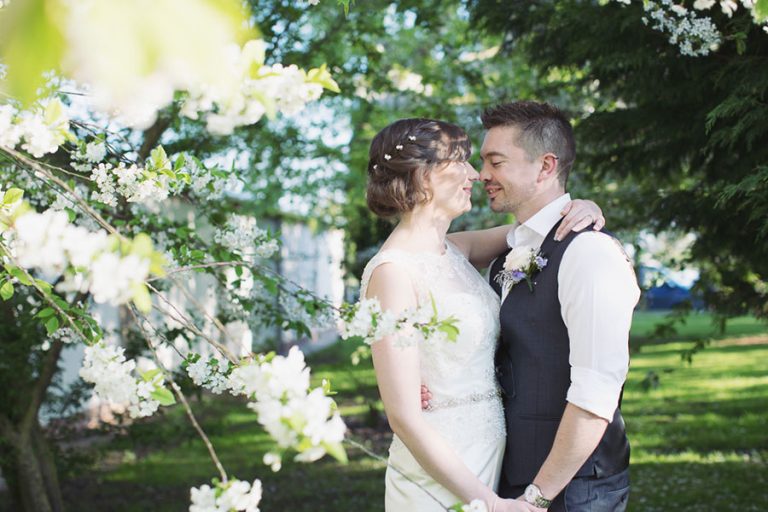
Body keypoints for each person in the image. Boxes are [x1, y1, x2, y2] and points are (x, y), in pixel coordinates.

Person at [360, 117, 605, 511]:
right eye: (461, 162)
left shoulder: (454, 250)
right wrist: (489, 503)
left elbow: (533, 230)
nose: (474, 175)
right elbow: (403, 417)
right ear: (424, 177)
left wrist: (579, 207)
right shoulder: (393, 273)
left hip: (492, 453)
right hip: (441, 472)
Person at [477, 101, 640, 511]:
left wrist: (536, 498)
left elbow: (595, 394)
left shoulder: (589, 254)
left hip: (575, 489)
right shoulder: (510, 251)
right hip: (515, 477)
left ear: (545, 167)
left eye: (495, 162)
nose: (482, 176)